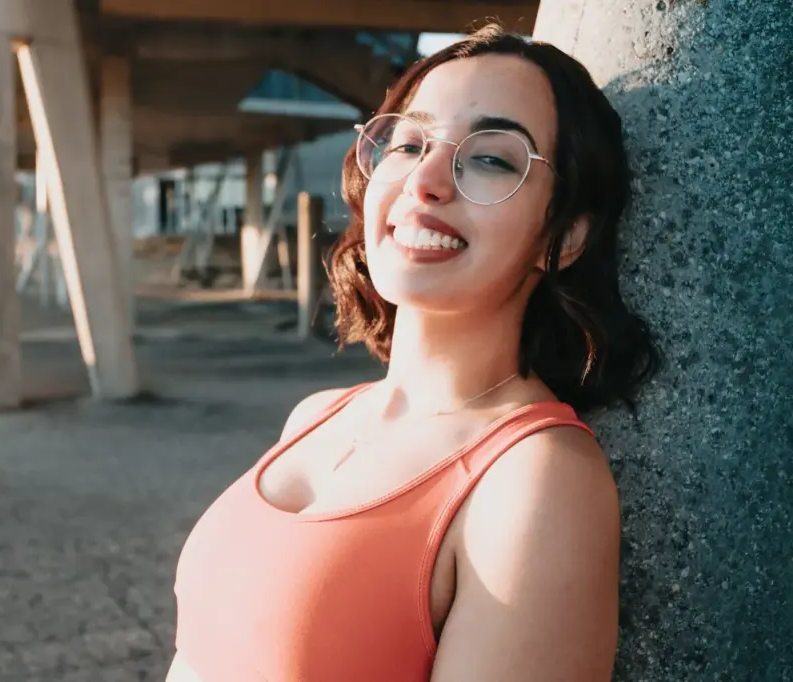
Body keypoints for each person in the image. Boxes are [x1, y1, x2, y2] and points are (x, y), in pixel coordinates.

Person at [167, 23, 660, 682]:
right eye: (409, 142)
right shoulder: (316, 415)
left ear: (564, 237)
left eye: (491, 158)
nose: (425, 180)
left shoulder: (533, 480)